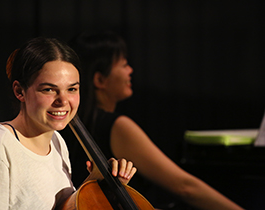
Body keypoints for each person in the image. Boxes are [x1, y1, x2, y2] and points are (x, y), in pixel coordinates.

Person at [61, 31, 244, 210]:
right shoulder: (118, 127)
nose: (130, 70)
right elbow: (185, 187)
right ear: (100, 79)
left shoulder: (63, 124)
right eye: (124, 65)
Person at [0, 37, 137, 210]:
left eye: (72, 89)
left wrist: (100, 183)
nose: (63, 101)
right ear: (19, 91)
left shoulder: (56, 142)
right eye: (49, 89)